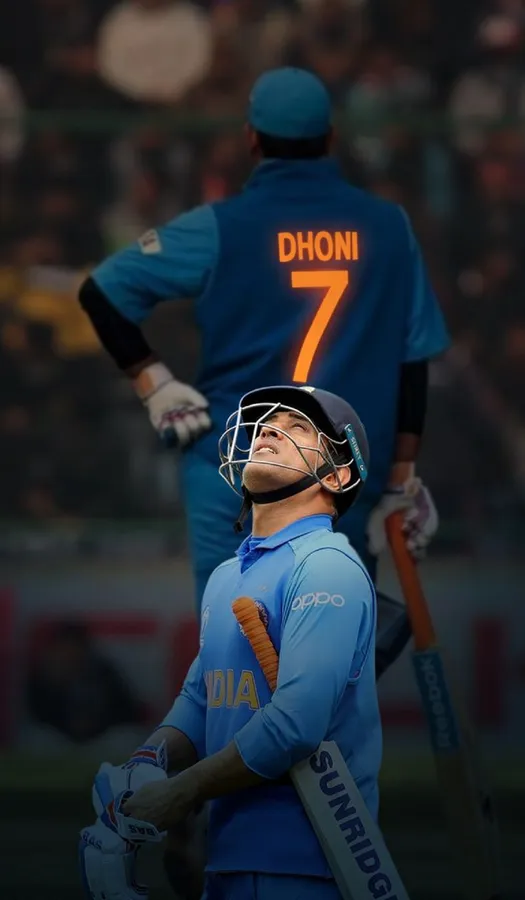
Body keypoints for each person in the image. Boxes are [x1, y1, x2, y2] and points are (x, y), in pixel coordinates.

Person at [78, 66, 448, 624]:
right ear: (331, 138)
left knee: (238, 654)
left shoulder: (219, 227)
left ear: (252, 139)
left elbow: (101, 292)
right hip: (339, 475)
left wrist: (154, 381)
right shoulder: (389, 226)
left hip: (237, 469)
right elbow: (413, 359)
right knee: (325, 659)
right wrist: (402, 478)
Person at [80, 384, 379, 900]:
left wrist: (181, 791)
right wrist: (147, 762)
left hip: (305, 866)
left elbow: (296, 725)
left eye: (298, 427)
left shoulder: (327, 566)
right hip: (226, 860)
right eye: (267, 424)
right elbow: (202, 700)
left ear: (336, 475)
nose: (269, 431)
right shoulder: (228, 576)